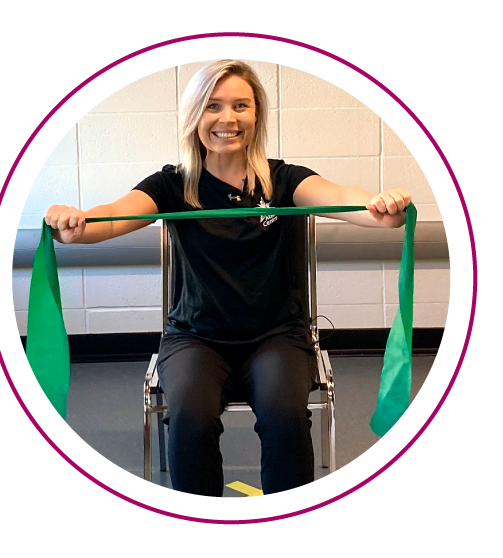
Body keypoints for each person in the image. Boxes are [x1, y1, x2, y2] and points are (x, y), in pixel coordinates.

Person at [45, 59, 412, 497]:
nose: (228, 119)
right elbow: (109, 218)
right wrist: (75, 222)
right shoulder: (172, 185)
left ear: (257, 115)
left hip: (277, 336)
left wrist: (381, 206)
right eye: (213, 106)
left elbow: (339, 197)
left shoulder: (284, 180)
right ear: (195, 115)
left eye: (242, 105)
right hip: (195, 338)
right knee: (190, 418)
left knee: (284, 415)